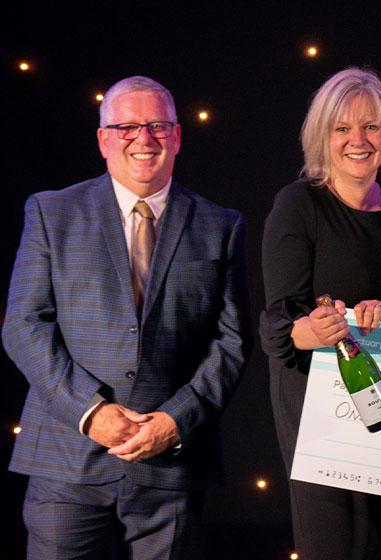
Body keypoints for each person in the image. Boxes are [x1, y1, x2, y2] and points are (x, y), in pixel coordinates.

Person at [2, 75, 252, 558]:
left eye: (158, 125)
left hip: (172, 463)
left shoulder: (221, 225)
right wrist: (89, 412)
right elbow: (24, 325)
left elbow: (233, 341)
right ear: (103, 140)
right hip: (66, 460)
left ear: (177, 136)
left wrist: (175, 421)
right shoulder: (52, 212)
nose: (144, 138)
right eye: (126, 127)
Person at [259, 67, 381, 559]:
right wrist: (312, 329)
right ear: (321, 136)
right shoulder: (298, 204)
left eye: (370, 126)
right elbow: (279, 320)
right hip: (316, 402)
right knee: (333, 543)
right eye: (341, 128)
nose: (357, 140)